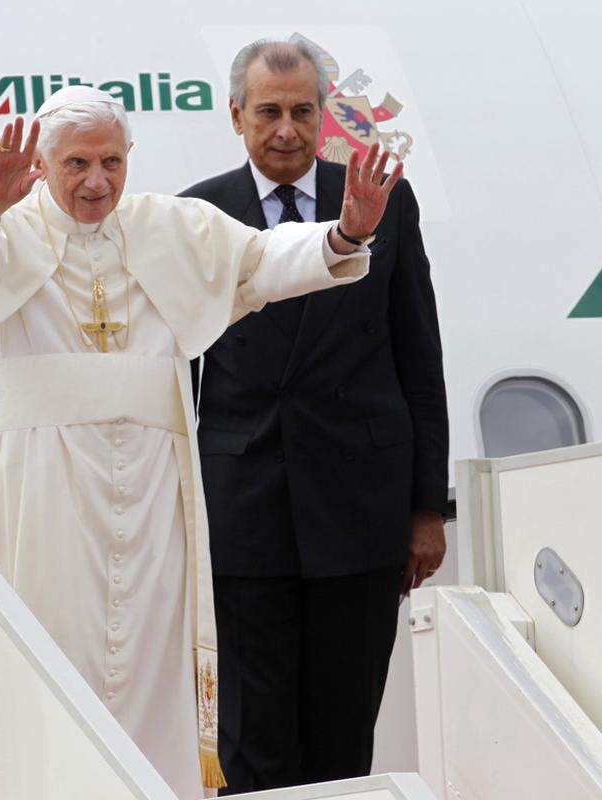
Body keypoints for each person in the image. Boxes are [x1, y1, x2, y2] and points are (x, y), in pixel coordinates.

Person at [0, 85, 401, 798]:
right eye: (77, 165)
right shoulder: (10, 225)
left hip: (156, 488)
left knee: (154, 659)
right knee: (46, 644)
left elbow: (261, 263)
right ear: (42, 162)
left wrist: (345, 236)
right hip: (46, 486)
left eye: (112, 162)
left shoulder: (171, 227)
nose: (97, 182)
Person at [179, 39, 449, 792]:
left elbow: (418, 356)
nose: (287, 130)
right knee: (251, 743)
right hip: (242, 514)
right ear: (237, 115)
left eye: (302, 111)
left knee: (341, 738)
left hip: (358, 513)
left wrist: (427, 508)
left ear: (324, 114)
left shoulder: (383, 201)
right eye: (269, 112)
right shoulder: (196, 214)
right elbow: (175, 374)